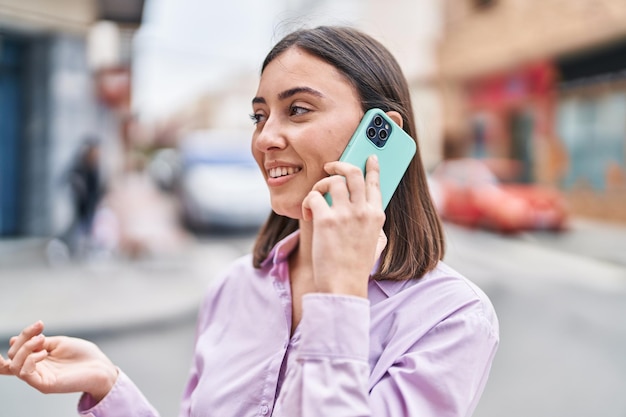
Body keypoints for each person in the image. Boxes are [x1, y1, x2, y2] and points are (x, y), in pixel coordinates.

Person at [0, 26, 499, 416]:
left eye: (297, 110)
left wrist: (340, 297)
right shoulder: (235, 287)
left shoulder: (451, 319)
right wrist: (110, 387)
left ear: (380, 134)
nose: (265, 139)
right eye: (259, 116)